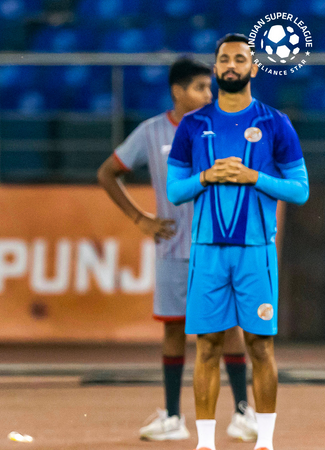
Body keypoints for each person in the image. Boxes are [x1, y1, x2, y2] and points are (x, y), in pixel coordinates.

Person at [98, 57, 259, 442]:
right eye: (201, 88)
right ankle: (173, 418)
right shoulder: (151, 132)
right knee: (173, 329)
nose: (208, 94)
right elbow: (107, 173)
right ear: (177, 91)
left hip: (218, 246)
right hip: (173, 249)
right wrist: (140, 219)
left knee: (229, 327)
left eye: (209, 87)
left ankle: (243, 413)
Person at [167, 33, 309, 450]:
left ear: (254, 68)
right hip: (207, 251)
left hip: (256, 252)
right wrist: (206, 176)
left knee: (260, 347)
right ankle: (205, 444)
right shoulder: (193, 125)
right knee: (207, 347)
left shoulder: (275, 123)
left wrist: (254, 177)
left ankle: (265, 441)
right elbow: (175, 191)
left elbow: (300, 190)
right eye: (225, 59)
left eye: (240, 59)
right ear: (215, 68)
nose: (232, 65)